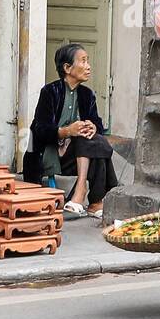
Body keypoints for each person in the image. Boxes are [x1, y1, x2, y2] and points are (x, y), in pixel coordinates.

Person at [23, 43, 118, 217]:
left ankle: (81, 196)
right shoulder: (50, 92)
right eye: (83, 61)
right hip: (49, 155)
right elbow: (39, 130)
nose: (88, 66)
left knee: (90, 138)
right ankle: (93, 199)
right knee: (92, 142)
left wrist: (93, 127)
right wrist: (67, 131)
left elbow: (97, 122)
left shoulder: (87, 94)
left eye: (88, 61)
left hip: (77, 155)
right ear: (67, 68)